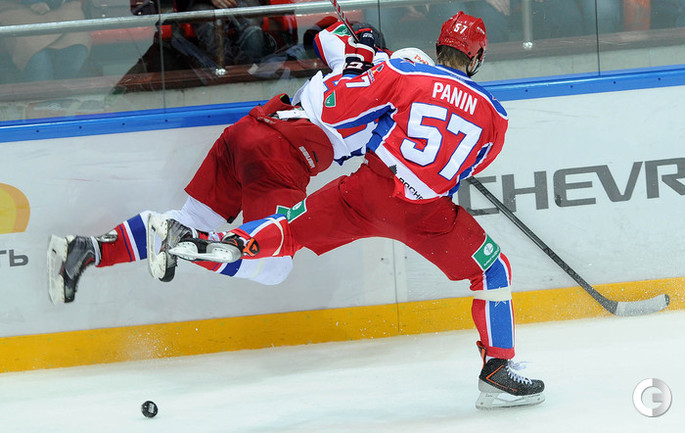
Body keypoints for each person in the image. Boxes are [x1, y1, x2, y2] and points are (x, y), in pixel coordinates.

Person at [160, 12, 546, 409]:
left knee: (288, 230)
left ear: (438, 47)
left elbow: (339, 111)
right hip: (428, 213)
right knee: (492, 269)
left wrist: (360, 62)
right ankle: (498, 368)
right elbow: (471, 166)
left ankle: (224, 242)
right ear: (477, 57)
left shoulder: (405, 73)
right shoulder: (496, 115)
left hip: (369, 191)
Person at [47, 21, 394, 304]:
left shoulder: (351, 63)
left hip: (250, 128)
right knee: (274, 266)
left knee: (192, 218)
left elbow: (324, 36)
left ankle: (89, 248)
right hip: (283, 154)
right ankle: (184, 243)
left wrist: (362, 38)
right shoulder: (396, 105)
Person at [0, 0, 91, 81]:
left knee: (76, 49)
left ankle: (61, 90)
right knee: (38, 61)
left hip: (64, 7)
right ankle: (44, 92)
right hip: (16, 8)